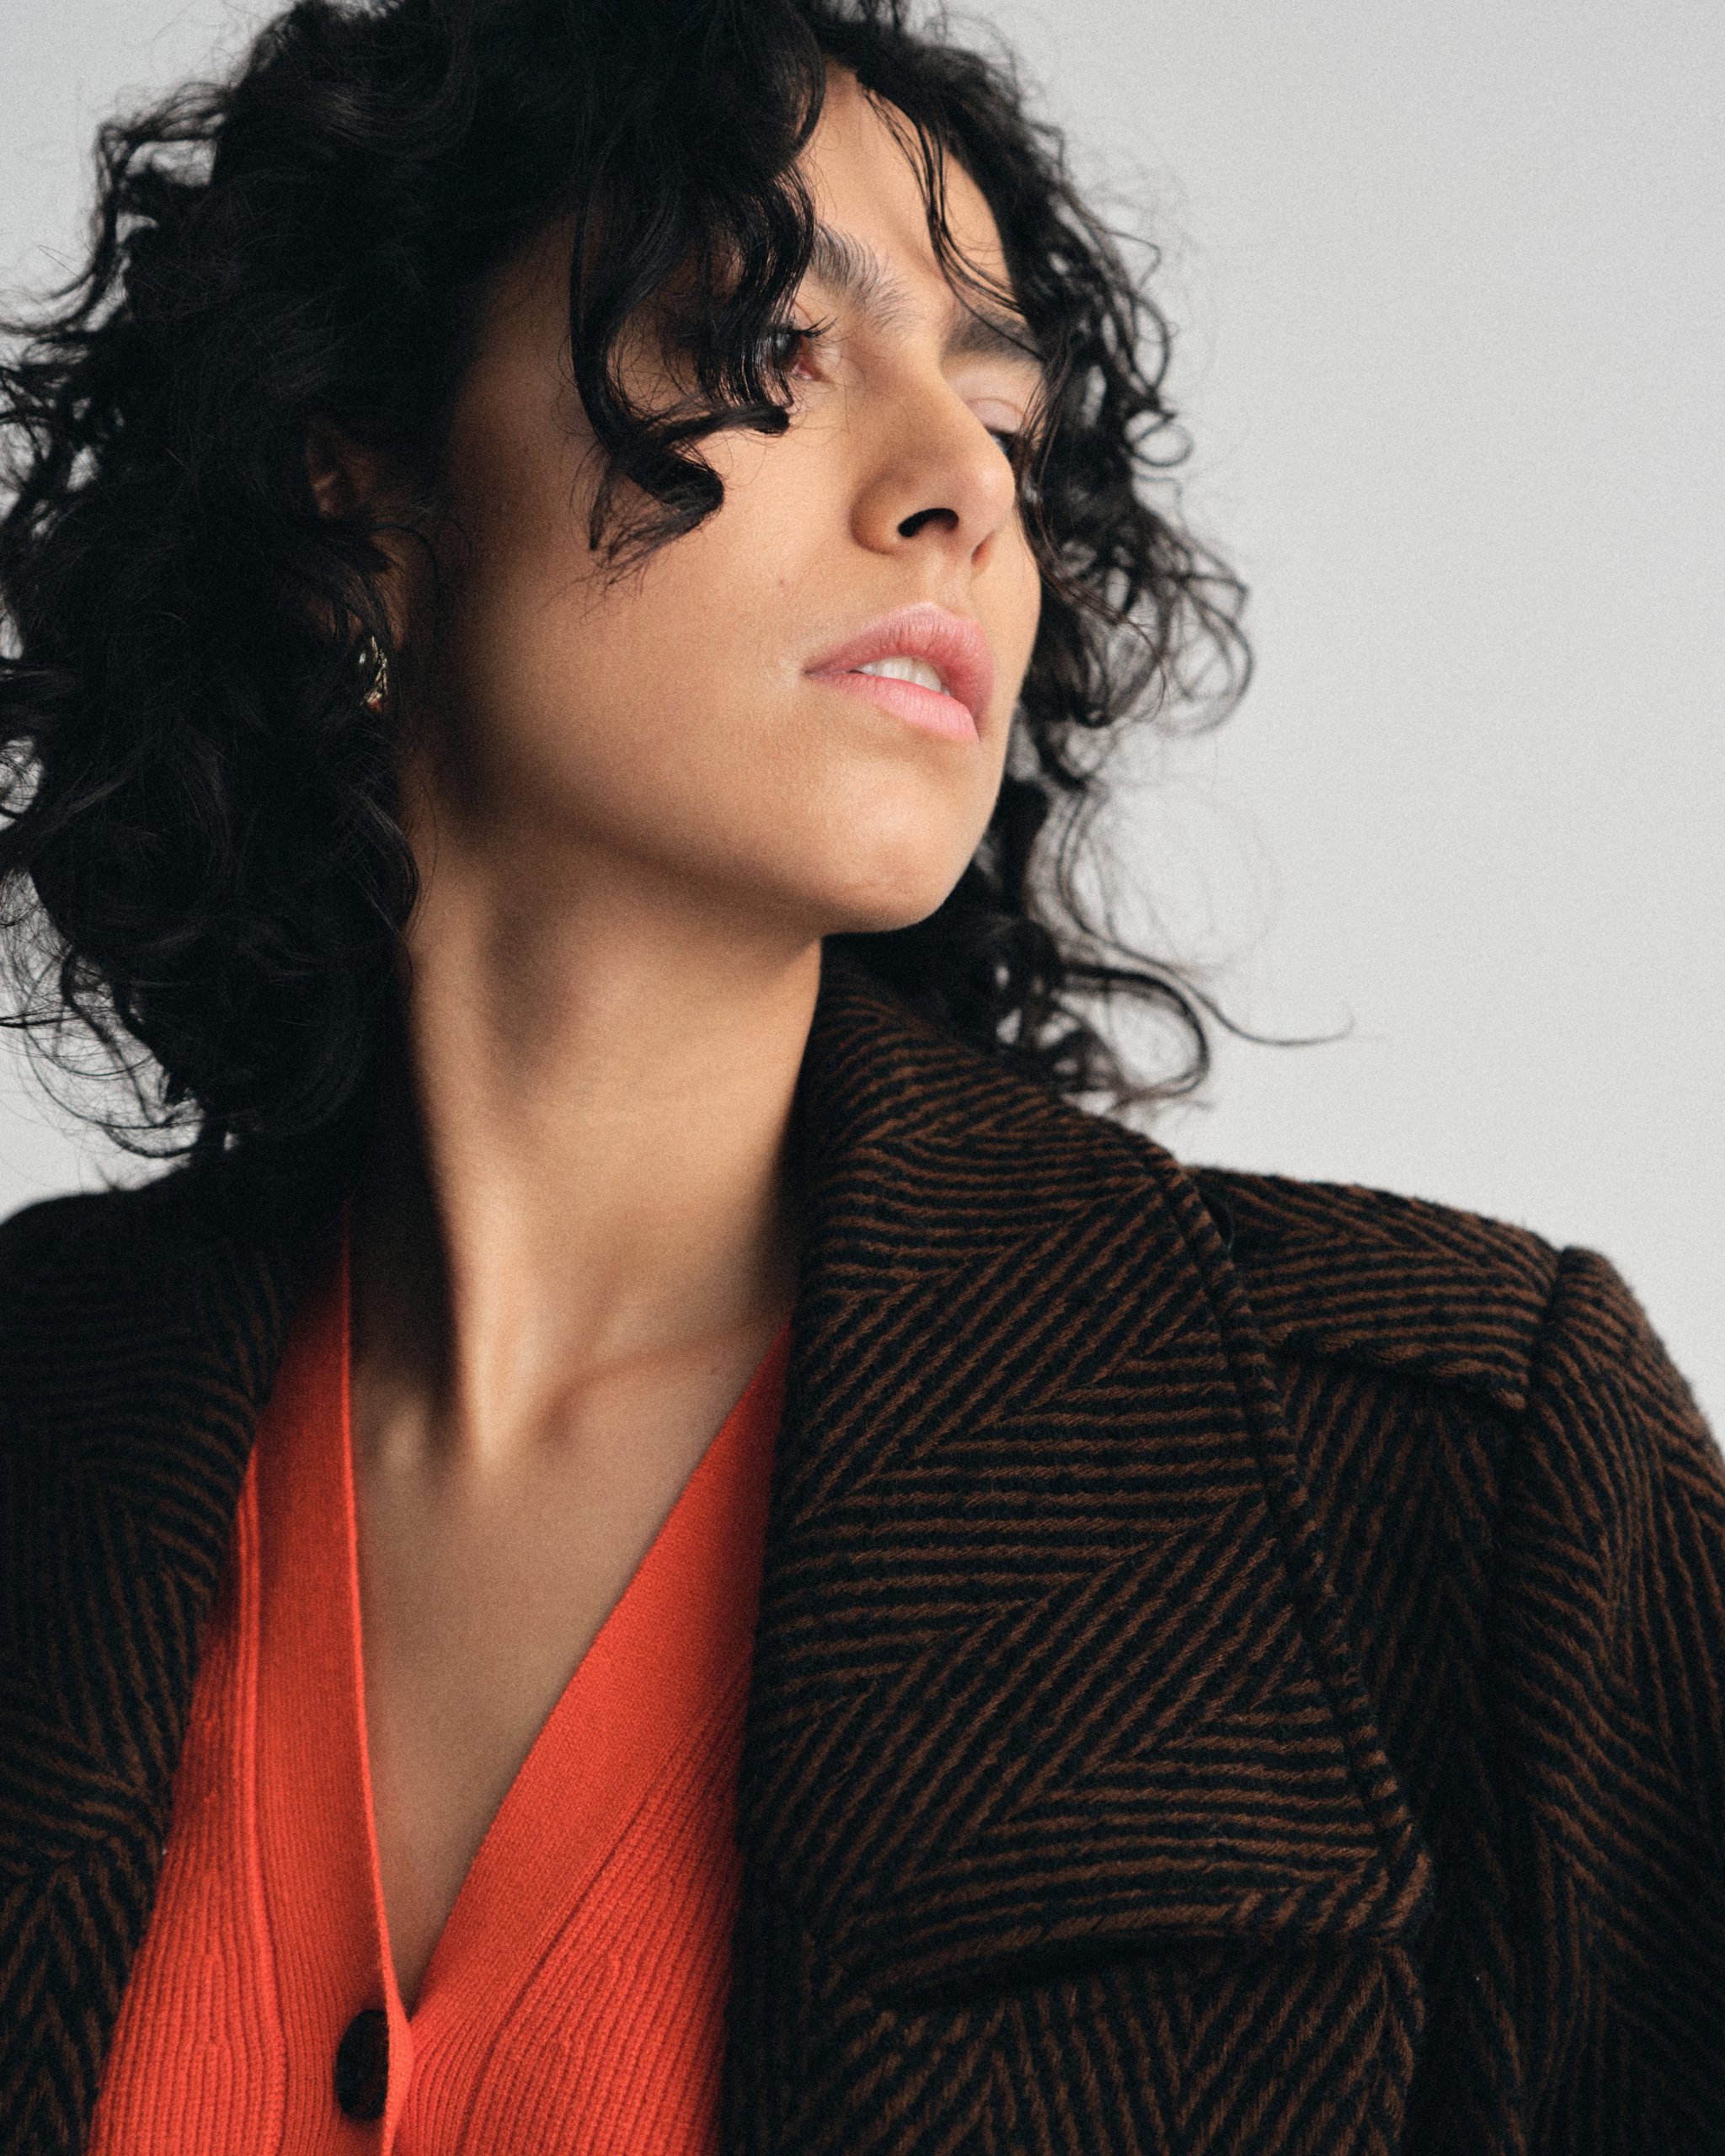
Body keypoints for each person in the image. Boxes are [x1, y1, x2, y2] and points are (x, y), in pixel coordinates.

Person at [0, 0, 1719, 2150]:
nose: (960, 489)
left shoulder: (1467, 1480)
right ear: (358, 475)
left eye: (1003, 417)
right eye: (768, 342)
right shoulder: (43, 1421)